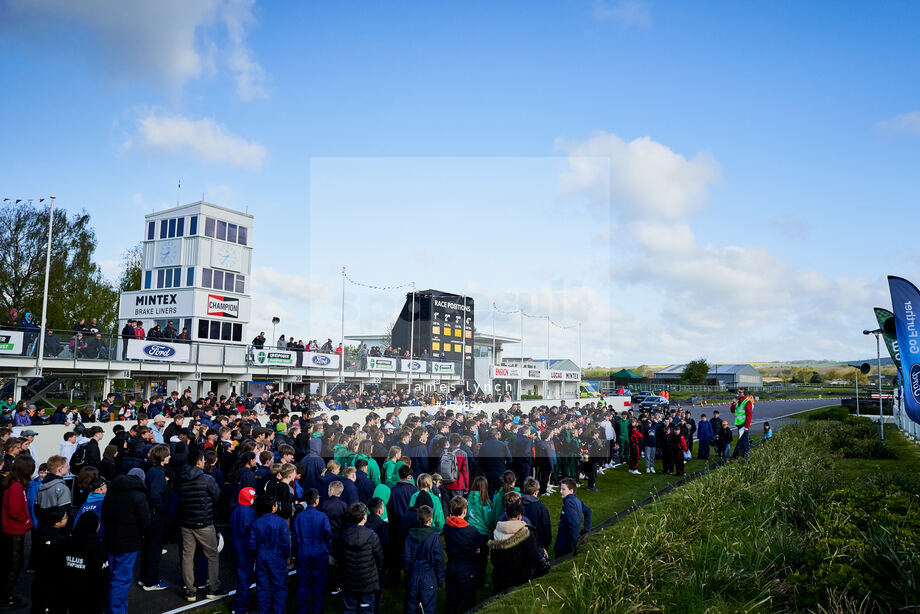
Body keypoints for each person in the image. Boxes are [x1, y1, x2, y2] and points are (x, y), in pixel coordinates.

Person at [101, 468, 151, 614]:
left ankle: (107, 607)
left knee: (109, 575)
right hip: (129, 543)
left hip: (110, 539)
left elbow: (104, 514)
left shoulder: (111, 491)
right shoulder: (139, 496)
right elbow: (145, 522)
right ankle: (117, 610)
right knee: (121, 579)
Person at [176, 449, 222, 602]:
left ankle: (190, 591)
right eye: (203, 460)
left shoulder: (181, 478)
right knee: (212, 554)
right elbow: (217, 496)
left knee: (187, 556)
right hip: (204, 522)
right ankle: (213, 588)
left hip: (186, 522)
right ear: (198, 461)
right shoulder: (207, 479)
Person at [487, 497, 546, 593]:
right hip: (521, 579)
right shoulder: (527, 534)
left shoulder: (496, 533)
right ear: (520, 516)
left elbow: (493, 559)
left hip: (501, 578)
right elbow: (534, 557)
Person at [335, 502, 384, 614]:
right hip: (364, 581)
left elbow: (339, 557)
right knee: (364, 610)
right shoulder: (371, 536)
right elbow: (380, 560)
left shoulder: (345, 535)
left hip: (353, 580)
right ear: (364, 517)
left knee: (351, 609)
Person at [0, 456, 35, 609]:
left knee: (12, 564)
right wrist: (26, 521)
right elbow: (14, 510)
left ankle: (7, 594)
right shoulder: (15, 486)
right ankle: (5, 596)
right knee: (14, 564)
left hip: (13, 528)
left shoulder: (14, 483)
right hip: (14, 530)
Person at [292, 488, 331, 614]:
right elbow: (327, 536)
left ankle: (301, 610)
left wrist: (295, 553)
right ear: (316, 501)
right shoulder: (322, 516)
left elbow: (295, 537)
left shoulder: (299, 517)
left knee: (303, 583)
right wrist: (329, 550)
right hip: (319, 553)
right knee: (319, 584)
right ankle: (317, 609)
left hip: (303, 553)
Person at [443, 496, 485, 614]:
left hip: (452, 565)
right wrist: (475, 549)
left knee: (451, 596)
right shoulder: (471, 531)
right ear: (465, 511)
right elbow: (481, 543)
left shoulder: (447, 527)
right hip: (467, 567)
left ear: (451, 510)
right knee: (468, 599)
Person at [251, 493, 291, 614]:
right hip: (277, 557)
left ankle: (263, 610)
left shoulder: (257, 522)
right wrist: (286, 555)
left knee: (262, 587)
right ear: (274, 507)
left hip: (262, 556)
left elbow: (252, 543)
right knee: (278, 587)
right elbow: (285, 543)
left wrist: (256, 555)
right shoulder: (281, 522)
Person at [63, 511, 109, 614]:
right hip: (91, 597)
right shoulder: (97, 546)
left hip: (72, 594)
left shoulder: (69, 541)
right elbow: (103, 574)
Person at [403, 505, 445, 614]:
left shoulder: (410, 535)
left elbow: (406, 556)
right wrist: (440, 579)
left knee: (411, 607)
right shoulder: (434, 536)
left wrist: (408, 573)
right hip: (428, 576)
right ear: (430, 520)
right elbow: (439, 559)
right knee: (428, 608)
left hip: (414, 574)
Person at [30, 506, 68, 614]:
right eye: (65, 518)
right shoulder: (60, 540)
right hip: (55, 580)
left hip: (39, 578)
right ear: (56, 523)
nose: (67, 519)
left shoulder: (40, 533)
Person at [230, 487, 258, 614]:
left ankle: (239, 602)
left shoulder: (236, 510)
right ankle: (241, 606)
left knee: (242, 576)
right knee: (245, 577)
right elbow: (251, 529)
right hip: (245, 547)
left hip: (236, 545)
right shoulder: (250, 512)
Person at [554, 478, 592, 559]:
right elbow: (588, 511)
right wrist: (586, 529)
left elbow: (574, 523)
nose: (560, 491)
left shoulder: (568, 503)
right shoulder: (576, 500)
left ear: (571, 491)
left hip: (565, 541)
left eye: (563, 489)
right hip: (569, 539)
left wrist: (574, 543)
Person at [520, 477, 552, 553]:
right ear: (536, 492)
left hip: (520, 540)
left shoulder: (518, 503)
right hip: (536, 542)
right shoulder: (541, 507)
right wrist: (547, 543)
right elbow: (546, 525)